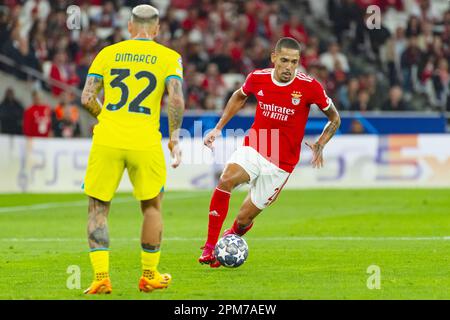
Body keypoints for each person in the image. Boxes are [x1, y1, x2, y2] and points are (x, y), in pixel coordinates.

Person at [198, 37, 341, 267]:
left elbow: (335, 118)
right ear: (274, 58)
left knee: (244, 220)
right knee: (226, 180)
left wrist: (321, 142)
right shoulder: (258, 78)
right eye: (284, 60)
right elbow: (239, 96)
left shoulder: (309, 86)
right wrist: (218, 128)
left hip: (281, 163)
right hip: (256, 145)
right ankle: (209, 247)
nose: (289, 67)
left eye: (294, 62)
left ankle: (229, 238)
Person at [81, 4, 184, 294]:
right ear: (157, 28)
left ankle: (101, 277)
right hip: (145, 141)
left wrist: (106, 118)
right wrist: (174, 135)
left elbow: (87, 97)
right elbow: (175, 98)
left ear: (129, 26)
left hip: (107, 139)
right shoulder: (168, 57)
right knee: (152, 207)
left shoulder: (107, 53)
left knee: (98, 208)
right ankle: (149, 274)